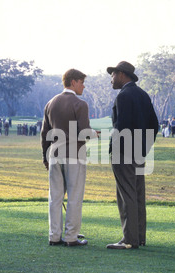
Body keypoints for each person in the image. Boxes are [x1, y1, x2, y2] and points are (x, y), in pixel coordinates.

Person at [41, 68, 97, 247]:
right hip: (74, 155)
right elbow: (84, 133)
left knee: (55, 197)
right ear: (73, 82)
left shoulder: (50, 103)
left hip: (54, 154)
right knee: (74, 196)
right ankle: (72, 237)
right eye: (81, 82)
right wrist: (96, 134)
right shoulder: (80, 104)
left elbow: (44, 134)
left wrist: (45, 157)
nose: (83, 86)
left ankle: (54, 236)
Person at [106, 61, 159, 250]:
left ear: (122, 75)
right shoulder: (143, 94)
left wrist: (116, 148)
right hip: (138, 152)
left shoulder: (123, 96)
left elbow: (122, 126)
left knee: (126, 194)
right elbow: (154, 124)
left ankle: (129, 239)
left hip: (123, 152)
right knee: (137, 193)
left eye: (113, 75)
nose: (111, 79)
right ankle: (139, 237)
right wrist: (144, 146)